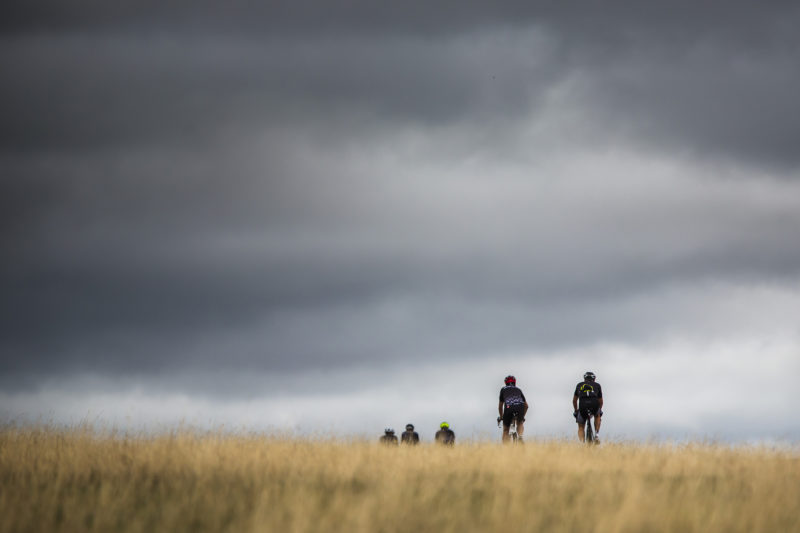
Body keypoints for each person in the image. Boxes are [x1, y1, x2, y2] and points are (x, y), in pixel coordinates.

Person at [573, 371, 603, 443]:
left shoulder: (579, 385)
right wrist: (599, 410)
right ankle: (596, 435)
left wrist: (576, 411)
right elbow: (601, 401)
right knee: (598, 415)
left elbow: (574, 401)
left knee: (581, 426)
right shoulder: (597, 385)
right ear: (594, 379)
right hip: (594, 404)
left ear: (584, 378)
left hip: (582, 405)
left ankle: (582, 443)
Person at [498, 375, 529, 443]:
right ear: (515, 382)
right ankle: (520, 437)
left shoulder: (503, 389)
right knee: (520, 423)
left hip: (509, 408)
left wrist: (501, 417)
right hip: (520, 407)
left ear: (505, 383)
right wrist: (522, 417)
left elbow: (500, 406)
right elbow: (526, 406)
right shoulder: (518, 390)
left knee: (506, 429)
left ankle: (505, 448)